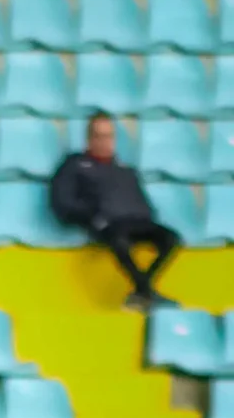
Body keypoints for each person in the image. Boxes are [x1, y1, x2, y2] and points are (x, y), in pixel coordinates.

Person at [50, 113, 181, 313]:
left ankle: (142, 291)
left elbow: (141, 202)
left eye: (109, 136)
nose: (104, 142)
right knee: (119, 240)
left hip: (136, 221)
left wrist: (146, 215)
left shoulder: (124, 169)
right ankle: (146, 291)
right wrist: (91, 216)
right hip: (107, 223)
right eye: (99, 136)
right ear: (89, 139)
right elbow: (63, 201)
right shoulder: (74, 165)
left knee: (170, 238)